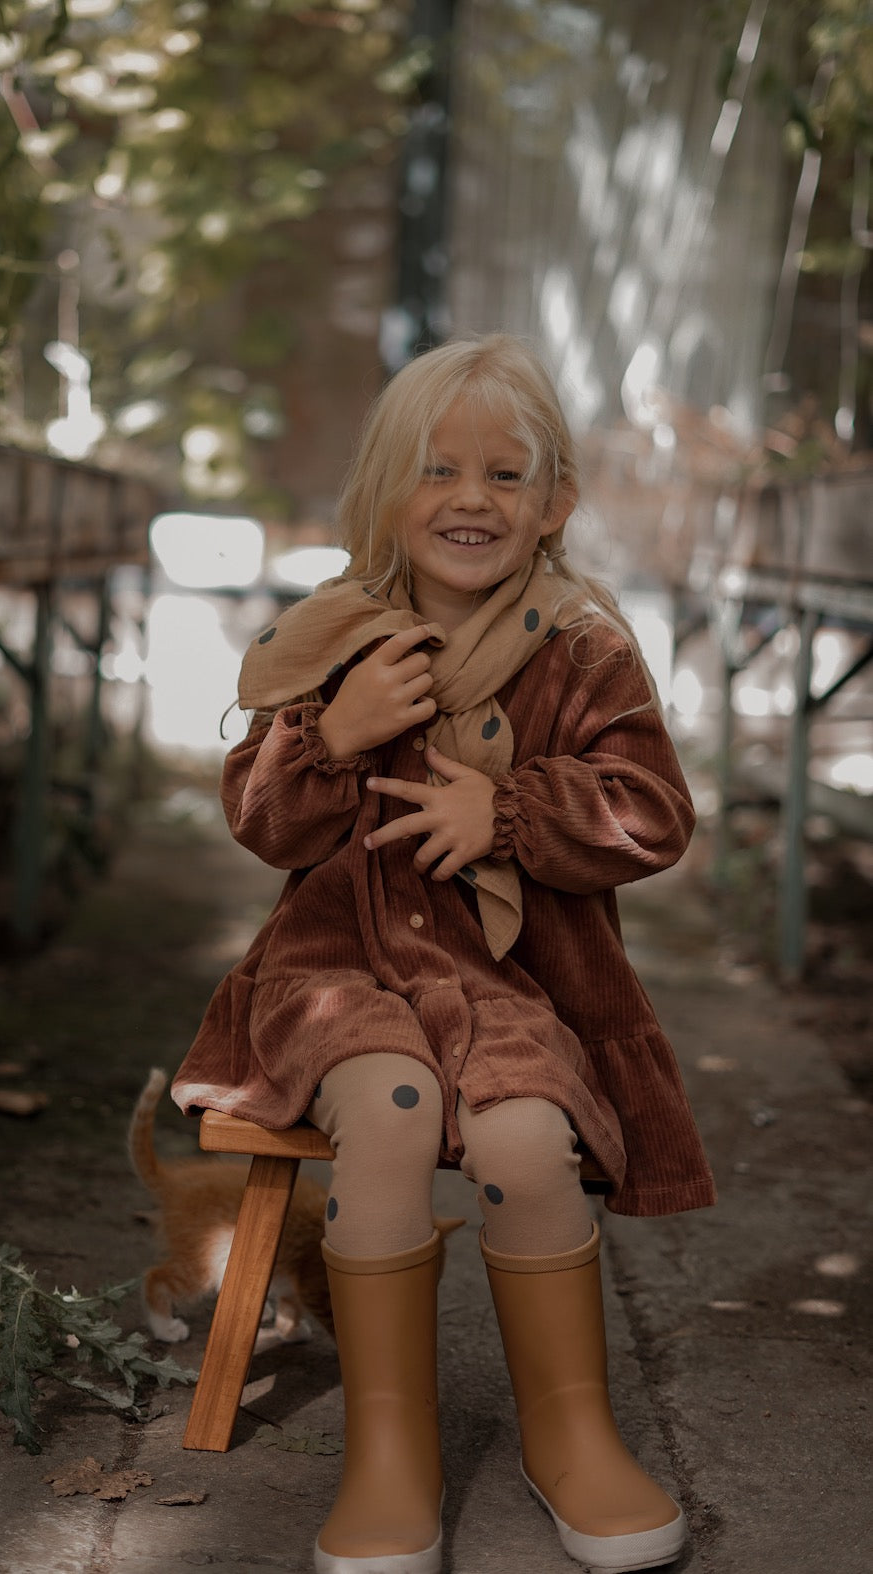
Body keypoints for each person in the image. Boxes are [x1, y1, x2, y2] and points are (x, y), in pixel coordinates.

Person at [172, 333, 715, 1574]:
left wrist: (511, 810)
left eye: (504, 475)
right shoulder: (327, 644)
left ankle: (571, 1432)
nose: (470, 498)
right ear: (382, 493)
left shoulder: (584, 648)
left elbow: (655, 808)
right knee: (397, 1105)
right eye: (437, 471)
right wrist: (332, 737)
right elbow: (266, 827)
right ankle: (390, 1452)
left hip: (501, 980)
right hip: (335, 975)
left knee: (527, 1132)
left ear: (553, 503)